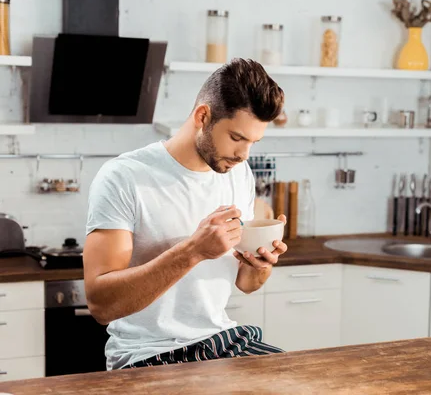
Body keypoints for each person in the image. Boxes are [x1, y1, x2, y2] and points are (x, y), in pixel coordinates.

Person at [83, 58, 288, 370]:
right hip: (146, 354)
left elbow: (246, 284)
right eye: (236, 138)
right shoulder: (124, 177)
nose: (244, 154)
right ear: (203, 116)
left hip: (222, 340)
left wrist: (259, 265)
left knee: (303, 381)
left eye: (253, 142)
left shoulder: (238, 173)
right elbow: (101, 305)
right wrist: (194, 250)